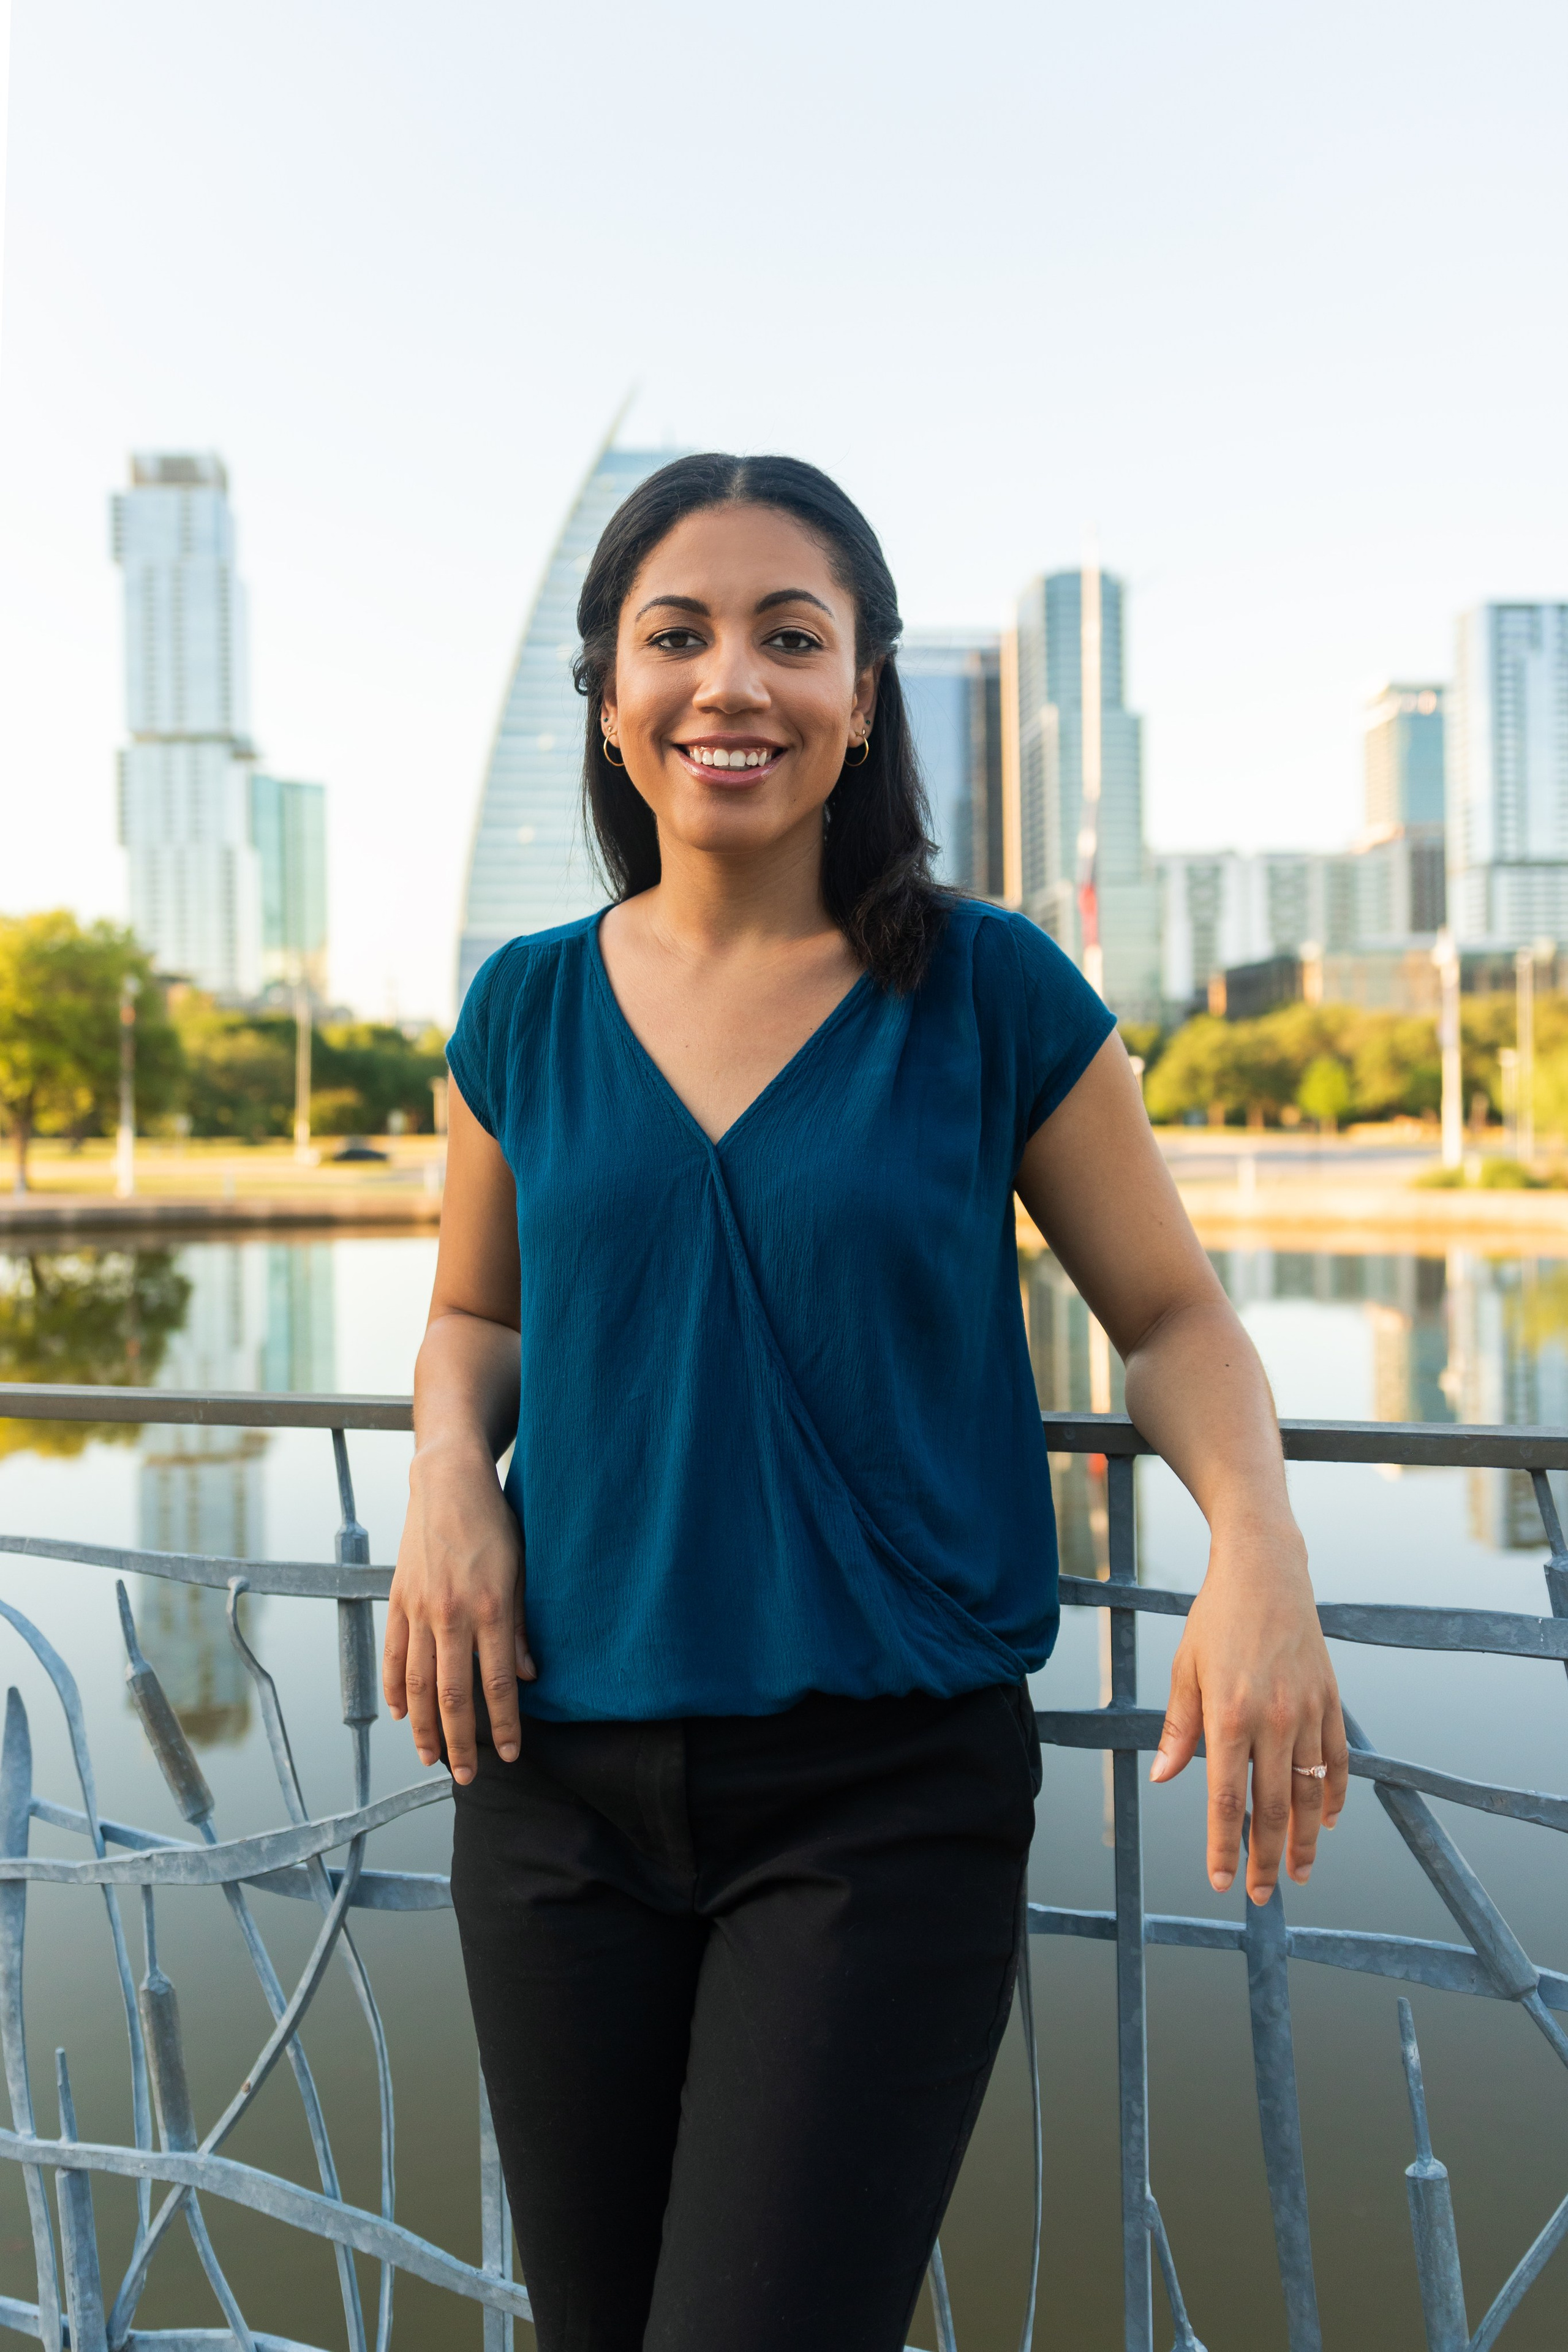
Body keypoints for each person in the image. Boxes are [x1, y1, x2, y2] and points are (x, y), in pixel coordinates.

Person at [383, 453, 1347, 2352]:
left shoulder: (989, 987)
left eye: (791, 637)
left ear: (864, 694)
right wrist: (443, 1467)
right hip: (551, 1789)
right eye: (678, 634)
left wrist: (1261, 1546)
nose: (731, 682)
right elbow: (475, 1311)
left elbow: (1170, 1320)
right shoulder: (521, 1012)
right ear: (606, 687)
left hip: (877, 1797)